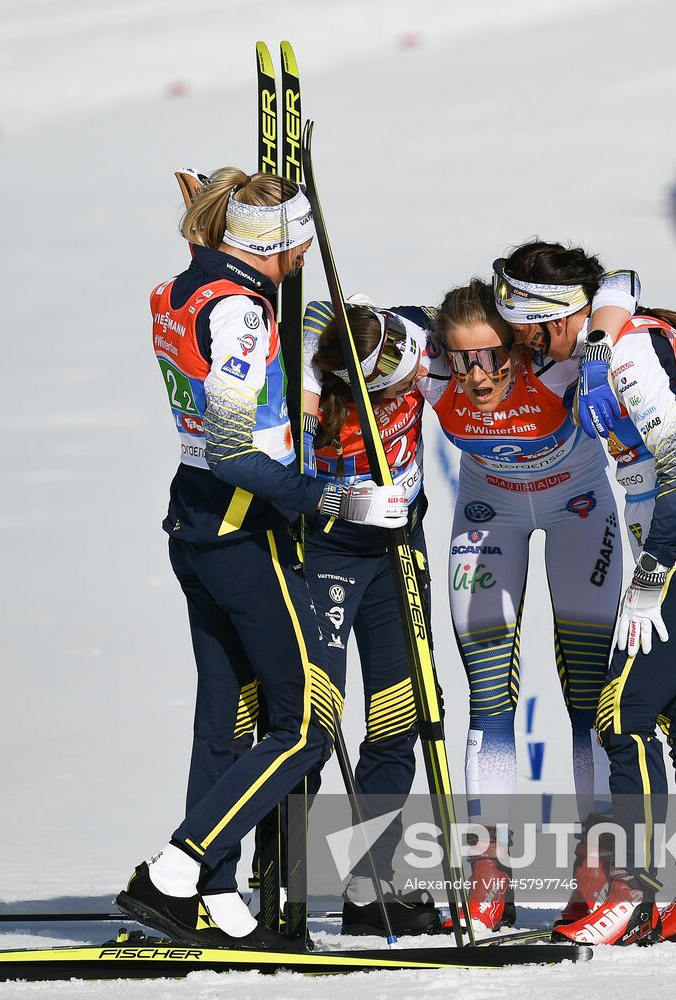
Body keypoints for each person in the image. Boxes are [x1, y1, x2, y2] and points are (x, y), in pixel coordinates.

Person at [117, 167, 410, 949]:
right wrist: (333, 499)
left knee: (223, 721)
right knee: (306, 725)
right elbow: (230, 450)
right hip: (244, 534)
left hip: (195, 528)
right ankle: (175, 870)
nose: (309, 248)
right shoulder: (243, 315)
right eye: (301, 237)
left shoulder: (177, 289)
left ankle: (210, 897)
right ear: (278, 244)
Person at [536, 247, 676, 946]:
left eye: (526, 326)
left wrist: (648, 579)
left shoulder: (627, 358)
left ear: (557, 316)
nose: (522, 343)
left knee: (622, 712)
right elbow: (618, 279)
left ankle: (631, 895)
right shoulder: (607, 336)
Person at [418, 264, 638, 935]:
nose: (476, 376)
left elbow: (621, 285)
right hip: (489, 514)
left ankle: (594, 868)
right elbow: (329, 325)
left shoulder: (558, 366)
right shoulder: (431, 370)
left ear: (518, 345)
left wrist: (598, 334)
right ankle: (488, 871)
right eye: (461, 360)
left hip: (579, 510)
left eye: (490, 355)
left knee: (585, 701)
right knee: (486, 701)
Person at [300, 297, 442, 936]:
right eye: (400, 375)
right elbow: (300, 320)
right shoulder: (316, 392)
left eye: (410, 357)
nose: (419, 373)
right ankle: (275, 883)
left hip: (397, 552)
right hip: (324, 552)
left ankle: (370, 883)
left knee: (398, 717)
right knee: (310, 723)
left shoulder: (407, 330)